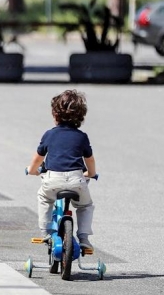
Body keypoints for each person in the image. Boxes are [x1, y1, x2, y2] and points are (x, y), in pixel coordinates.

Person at [26, 89, 96, 252]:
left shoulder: (49, 135)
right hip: (76, 180)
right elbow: (90, 160)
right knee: (85, 205)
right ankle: (84, 237)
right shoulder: (81, 136)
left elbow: (38, 158)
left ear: (55, 115)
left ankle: (46, 232)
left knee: (44, 198)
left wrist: (32, 170)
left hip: (52, 180)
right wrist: (91, 174)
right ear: (81, 117)